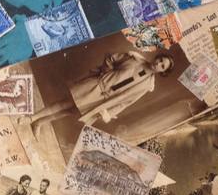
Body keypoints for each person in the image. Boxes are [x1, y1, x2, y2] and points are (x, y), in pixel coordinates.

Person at [30, 50, 174, 133]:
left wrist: (109, 113)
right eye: (160, 59)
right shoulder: (134, 58)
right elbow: (111, 58)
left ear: (162, 72)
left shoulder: (147, 86)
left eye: (162, 66)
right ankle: (32, 118)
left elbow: (127, 102)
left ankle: (39, 122)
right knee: (65, 103)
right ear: (157, 56)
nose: (158, 64)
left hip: (103, 101)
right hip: (97, 86)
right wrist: (105, 73)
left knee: (70, 111)